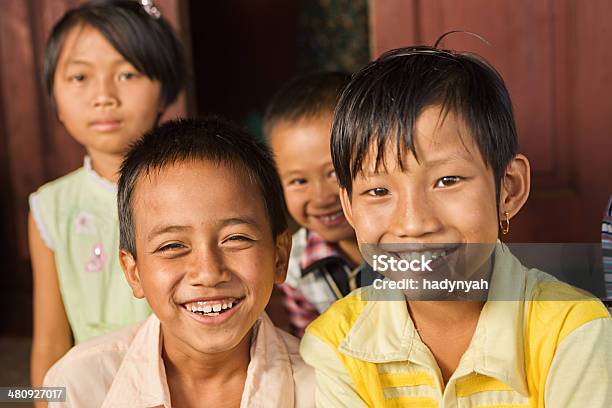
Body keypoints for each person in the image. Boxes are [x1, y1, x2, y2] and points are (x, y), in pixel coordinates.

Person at [300, 45, 612, 407]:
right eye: (378, 190)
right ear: (349, 208)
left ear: (508, 189)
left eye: (447, 181)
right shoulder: (336, 344)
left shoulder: (574, 331)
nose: (414, 223)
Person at [43, 117, 314, 407]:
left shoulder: (321, 389)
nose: (208, 273)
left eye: (236, 238)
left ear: (280, 256)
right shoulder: (80, 383)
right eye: (172, 246)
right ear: (133, 272)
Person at [28, 0, 186, 390]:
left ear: (165, 89)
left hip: (183, 385)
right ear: (55, 97)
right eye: (80, 78)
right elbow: (50, 340)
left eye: (127, 74)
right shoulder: (49, 207)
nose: (103, 96)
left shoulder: (192, 190)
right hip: (94, 389)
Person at [264, 72, 367, 336]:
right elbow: (311, 348)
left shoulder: (407, 242)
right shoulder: (294, 264)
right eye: (299, 181)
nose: (321, 197)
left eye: (334, 173)